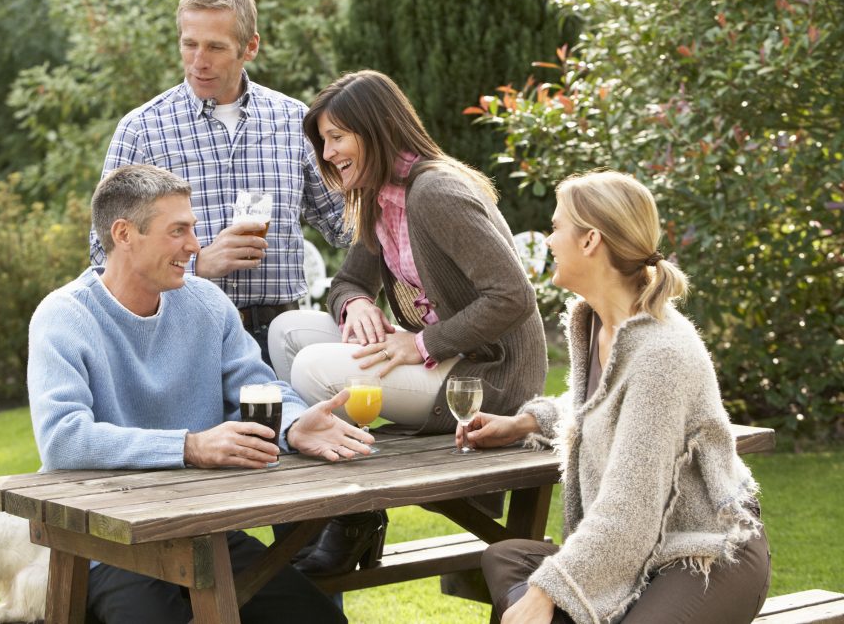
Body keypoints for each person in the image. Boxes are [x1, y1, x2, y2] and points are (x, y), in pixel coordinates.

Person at [29, 164, 372, 624]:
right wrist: (190, 446)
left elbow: (259, 384)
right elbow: (63, 438)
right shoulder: (63, 317)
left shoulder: (206, 303)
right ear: (124, 234)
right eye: (178, 231)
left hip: (205, 535)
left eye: (191, 229)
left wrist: (293, 423)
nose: (195, 245)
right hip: (109, 545)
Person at [267, 70, 548, 577]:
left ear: (375, 131)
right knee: (288, 330)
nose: (327, 154)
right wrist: (356, 306)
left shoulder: (434, 192)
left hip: (487, 375)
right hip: (437, 356)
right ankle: (359, 517)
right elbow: (346, 283)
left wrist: (421, 343)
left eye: (336, 138)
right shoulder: (377, 196)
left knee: (312, 368)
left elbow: (513, 296)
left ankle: (346, 519)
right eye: (324, 141)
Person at [469, 170, 771, 624]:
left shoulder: (661, 353)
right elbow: (602, 406)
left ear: (591, 240)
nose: (548, 241)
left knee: (540, 590)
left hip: (701, 551)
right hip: (642, 546)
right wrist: (526, 422)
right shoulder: (595, 326)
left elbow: (628, 512)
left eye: (556, 228)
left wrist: (552, 588)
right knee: (505, 559)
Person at [89, 0, 349, 366]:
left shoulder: (295, 121)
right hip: (183, 337)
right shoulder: (142, 130)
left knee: (291, 429)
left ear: (251, 47)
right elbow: (102, 251)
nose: (199, 61)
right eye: (189, 44)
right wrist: (197, 264)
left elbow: (347, 224)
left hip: (280, 339)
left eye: (215, 47)